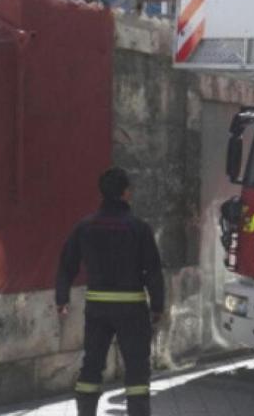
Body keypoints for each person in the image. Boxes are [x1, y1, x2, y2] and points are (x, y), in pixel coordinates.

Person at [56, 167, 165, 416]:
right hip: (132, 309)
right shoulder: (139, 228)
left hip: (97, 309)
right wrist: (158, 305)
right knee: (137, 369)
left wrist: (61, 298)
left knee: (92, 365)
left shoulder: (84, 227)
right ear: (126, 193)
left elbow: (66, 265)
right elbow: (153, 271)